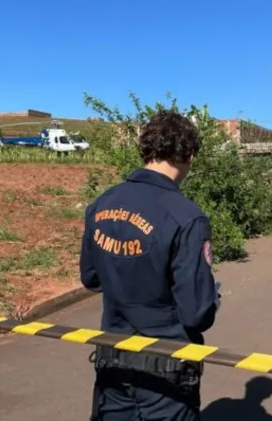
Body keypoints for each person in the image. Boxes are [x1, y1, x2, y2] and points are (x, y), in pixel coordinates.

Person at [80, 110, 221, 421]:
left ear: (146, 150)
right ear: (189, 156)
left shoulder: (102, 204)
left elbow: (90, 277)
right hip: (166, 373)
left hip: (112, 360)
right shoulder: (187, 216)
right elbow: (197, 313)